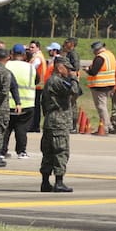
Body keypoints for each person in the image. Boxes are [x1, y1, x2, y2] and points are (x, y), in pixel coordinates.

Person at [40, 55, 79, 192]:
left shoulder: (51, 81)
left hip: (51, 120)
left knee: (48, 153)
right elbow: (75, 91)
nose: (68, 71)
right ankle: (59, 182)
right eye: (67, 69)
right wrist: (74, 78)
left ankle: (45, 182)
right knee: (60, 151)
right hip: (59, 122)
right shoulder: (56, 81)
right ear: (59, 67)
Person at [3, 44, 35, 159]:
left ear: (11, 54)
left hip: (8, 103)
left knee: (6, 129)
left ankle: (2, 151)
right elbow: (36, 80)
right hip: (27, 104)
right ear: (24, 54)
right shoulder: (30, 67)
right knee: (21, 129)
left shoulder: (6, 65)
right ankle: (21, 151)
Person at [86, 40, 116, 134]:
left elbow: (94, 72)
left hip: (100, 85)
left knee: (101, 106)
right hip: (109, 84)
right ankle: (108, 125)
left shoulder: (100, 58)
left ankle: (106, 126)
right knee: (104, 106)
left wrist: (87, 70)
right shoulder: (110, 55)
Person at [61, 37, 81, 132]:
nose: (64, 44)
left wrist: (67, 67)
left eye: (67, 43)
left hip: (71, 81)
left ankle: (72, 126)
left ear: (72, 44)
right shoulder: (68, 53)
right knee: (71, 104)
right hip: (69, 80)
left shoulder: (73, 54)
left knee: (71, 104)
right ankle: (72, 126)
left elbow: (75, 67)